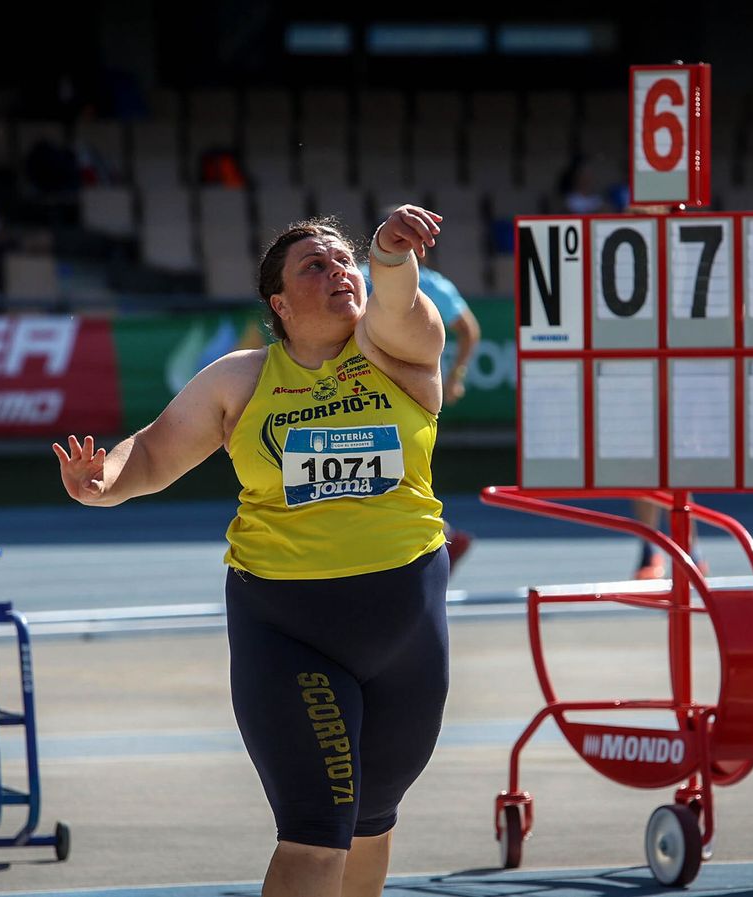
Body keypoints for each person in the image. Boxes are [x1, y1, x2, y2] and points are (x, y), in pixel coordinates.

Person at [54, 204, 449, 897]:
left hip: (407, 634)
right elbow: (150, 451)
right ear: (279, 302)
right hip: (292, 631)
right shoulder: (240, 380)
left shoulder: (400, 350)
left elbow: (401, 299)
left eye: (343, 259)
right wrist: (104, 481)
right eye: (314, 265)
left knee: (370, 825)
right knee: (316, 830)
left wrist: (389, 251)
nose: (338, 271)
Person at [361, 251, 481, 573]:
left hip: (408, 396)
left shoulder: (430, 284)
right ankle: (443, 537)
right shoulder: (358, 276)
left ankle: (438, 539)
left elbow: (468, 329)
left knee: (396, 472)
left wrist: (455, 376)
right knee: (383, 473)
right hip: (366, 392)